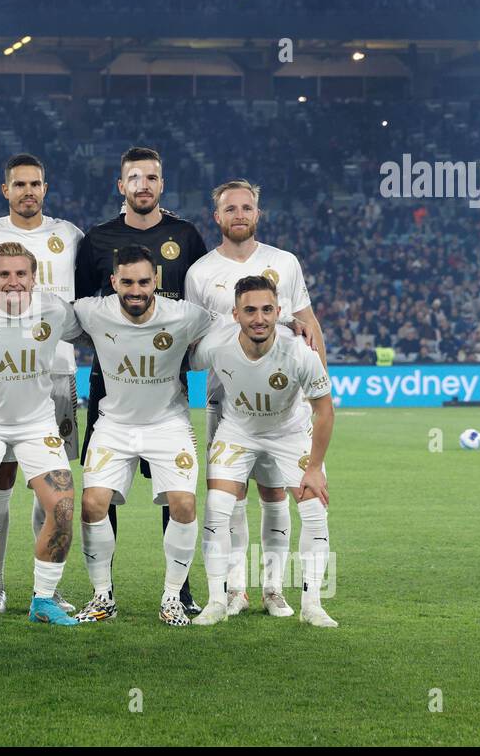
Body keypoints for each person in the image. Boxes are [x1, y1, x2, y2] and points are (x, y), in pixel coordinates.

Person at [73, 146, 208, 612]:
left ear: (162, 184)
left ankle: (178, 593)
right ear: (121, 185)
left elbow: (214, 312)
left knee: (179, 498)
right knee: (96, 500)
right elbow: (65, 311)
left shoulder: (186, 236)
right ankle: (102, 594)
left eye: (152, 177)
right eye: (135, 177)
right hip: (110, 391)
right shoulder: (96, 242)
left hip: (169, 395)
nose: (144, 185)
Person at [183, 178, 326, 616]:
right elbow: (193, 341)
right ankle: (233, 591)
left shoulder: (283, 263)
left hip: (282, 403)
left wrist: (315, 373)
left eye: (247, 207)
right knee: (230, 499)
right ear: (218, 217)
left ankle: (273, 589)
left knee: (274, 495)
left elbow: (308, 322)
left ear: (257, 214)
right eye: (231, 208)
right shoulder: (200, 272)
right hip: (225, 404)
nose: (239, 214)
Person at [0, 154, 84, 615]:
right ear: (5, 189)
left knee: (52, 494)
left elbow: (95, 304)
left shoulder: (69, 235)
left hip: (54, 374)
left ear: (45, 188)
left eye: (36, 184)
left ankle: (45, 590)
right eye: (19, 184)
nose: (28, 191)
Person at [188, 276, 338, 627]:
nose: (259, 318)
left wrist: (314, 468)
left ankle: (310, 603)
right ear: (235, 313)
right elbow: (183, 358)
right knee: (217, 506)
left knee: (315, 507)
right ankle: (216, 600)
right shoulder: (216, 345)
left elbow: (324, 410)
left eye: (268, 310)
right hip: (238, 430)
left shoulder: (300, 351)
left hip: (288, 432)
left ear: (279, 312)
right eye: (250, 310)